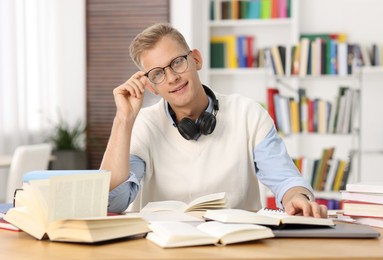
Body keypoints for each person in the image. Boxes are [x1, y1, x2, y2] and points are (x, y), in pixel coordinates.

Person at [100, 23, 328, 218]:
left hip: (238, 246)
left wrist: (297, 197)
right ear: (151, 86)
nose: (172, 78)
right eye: (158, 73)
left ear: (196, 59)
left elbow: (285, 179)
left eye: (177, 62)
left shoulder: (248, 113)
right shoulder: (145, 125)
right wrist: (123, 119)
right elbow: (113, 202)